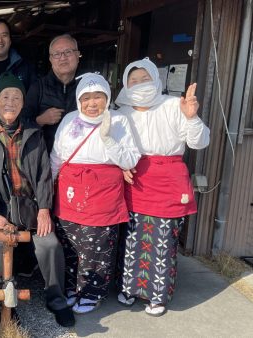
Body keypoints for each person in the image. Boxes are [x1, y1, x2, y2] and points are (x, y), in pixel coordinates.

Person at [0, 72, 74, 327]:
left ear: (22, 103)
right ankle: (6, 304)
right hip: (0, 207)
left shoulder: (33, 131)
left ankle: (56, 298)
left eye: (16, 97)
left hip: (29, 205)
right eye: (5, 96)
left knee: (49, 244)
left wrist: (44, 209)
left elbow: (43, 174)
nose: (10, 102)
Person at [115, 57, 210, 316]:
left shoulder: (172, 105)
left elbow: (199, 142)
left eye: (145, 78)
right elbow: (113, 146)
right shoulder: (121, 112)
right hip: (134, 180)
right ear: (125, 84)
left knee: (162, 240)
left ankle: (156, 295)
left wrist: (191, 117)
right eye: (133, 80)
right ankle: (128, 288)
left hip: (167, 179)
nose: (139, 84)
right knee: (131, 237)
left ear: (156, 79)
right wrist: (121, 165)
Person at [50, 73, 140, 314]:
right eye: (86, 98)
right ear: (78, 100)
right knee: (70, 245)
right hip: (70, 192)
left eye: (98, 97)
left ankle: (92, 292)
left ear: (107, 97)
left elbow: (130, 159)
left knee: (97, 247)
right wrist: (48, 183)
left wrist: (108, 139)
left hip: (103, 192)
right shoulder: (70, 119)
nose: (92, 103)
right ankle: (72, 287)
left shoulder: (119, 120)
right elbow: (57, 155)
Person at [25, 34, 81, 154]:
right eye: (57, 54)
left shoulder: (86, 87)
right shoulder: (38, 88)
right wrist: (40, 120)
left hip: (79, 161)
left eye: (68, 52)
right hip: (44, 159)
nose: (63, 58)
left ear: (77, 55)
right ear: (50, 59)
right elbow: (21, 124)